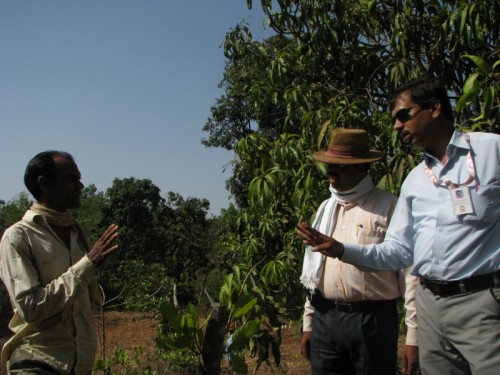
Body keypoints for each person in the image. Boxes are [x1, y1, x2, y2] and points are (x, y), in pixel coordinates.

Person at [297, 77, 500, 374]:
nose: (396, 126)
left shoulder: (490, 152)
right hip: (431, 305)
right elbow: (400, 252)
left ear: (434, 109)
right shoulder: (415, 181)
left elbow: (404, 271)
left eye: (403, 115)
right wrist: (342, 250)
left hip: (481, 298)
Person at [299, 128, 419, 375]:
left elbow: (411, 275)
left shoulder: (389, 207)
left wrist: (413, 336)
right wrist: (309, 322)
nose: (332, 172)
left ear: (362, 168)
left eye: (341, 166)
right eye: (329, 165)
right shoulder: (326, 208)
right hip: (326, 316)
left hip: (372, 320)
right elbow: (315, 272)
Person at [0, 151, 120, 374]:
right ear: (44, 183)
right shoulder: (18, 237)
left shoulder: (74, 232)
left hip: (78, 365)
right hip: (38, 362)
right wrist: (87, 264)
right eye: (71, 179)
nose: (81, 186)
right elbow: (29, 307)